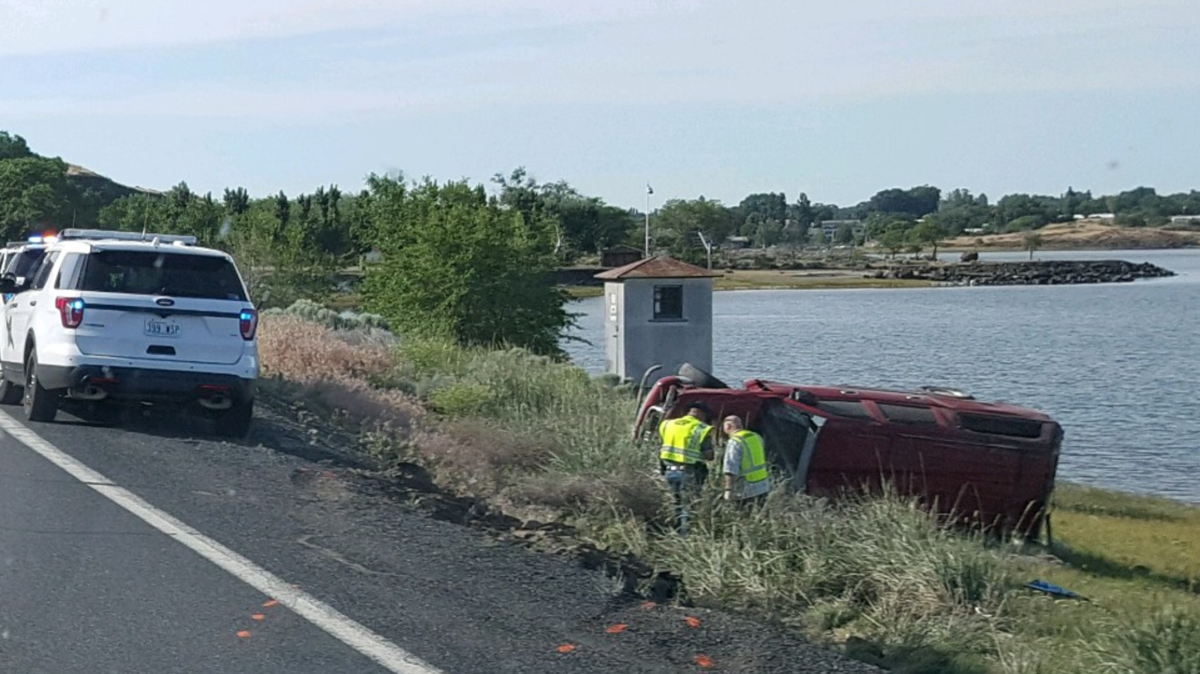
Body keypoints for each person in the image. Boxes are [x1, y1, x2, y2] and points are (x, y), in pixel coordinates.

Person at [657, 400, 715, 535]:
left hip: (669, 471)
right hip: (688, 472)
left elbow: (662, 446)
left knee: (674, 503)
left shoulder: (667, 424)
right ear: (703, 415)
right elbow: (708, 455)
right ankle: (685, 537)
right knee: (687, 506)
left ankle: (673, 531)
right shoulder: (701, 429)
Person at [721, 415, 770, 509]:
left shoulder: (734, 441)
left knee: (743, 516)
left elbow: (730, 469)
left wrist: (728, 490)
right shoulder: (756, 436)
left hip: (746, 489)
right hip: (762, 485)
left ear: (728, 426)